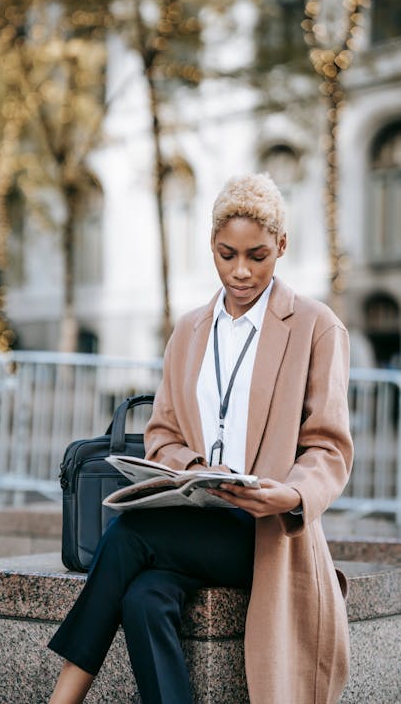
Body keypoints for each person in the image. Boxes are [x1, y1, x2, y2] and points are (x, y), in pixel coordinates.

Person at [47, 172, 353, 704]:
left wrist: (293, 494)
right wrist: (190, 472)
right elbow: (162, 433)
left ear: (282, 245)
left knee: (128, 536)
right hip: (195, 515)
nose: (240, 271)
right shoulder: (188, 331)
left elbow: (328, 447)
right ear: (211, 245)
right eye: (226, 254)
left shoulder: (316, 328)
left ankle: (62, 698)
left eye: (257, 256)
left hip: (265, 531)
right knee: (143, 597)